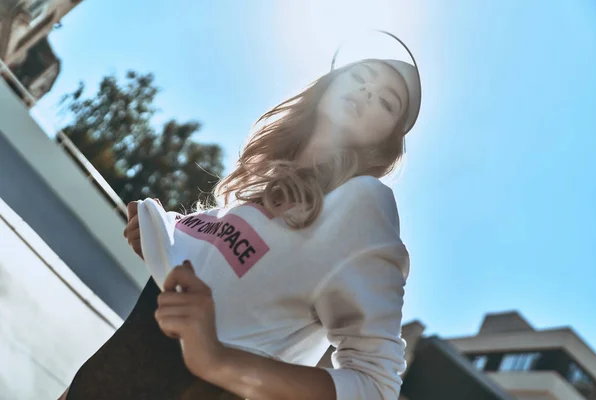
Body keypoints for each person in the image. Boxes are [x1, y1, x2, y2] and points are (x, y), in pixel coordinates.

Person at [61, 55, 421, 400]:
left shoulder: (362, 205)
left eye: (386, 102)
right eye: (360, 76)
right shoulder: (251, 201)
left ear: (386, 143)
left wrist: (217, 360)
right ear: (327, 86)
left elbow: (375, 387)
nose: (368, 92)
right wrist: (157, 247)